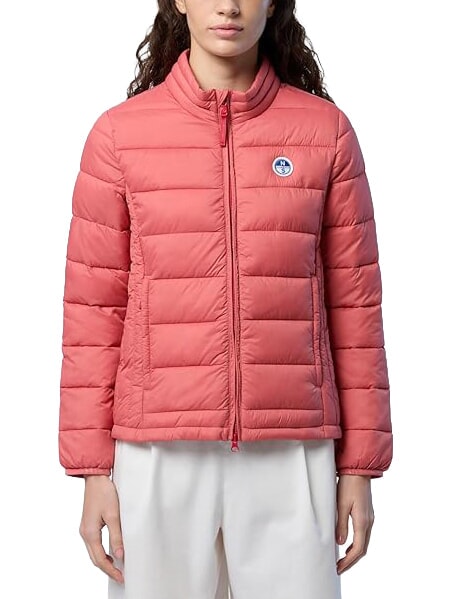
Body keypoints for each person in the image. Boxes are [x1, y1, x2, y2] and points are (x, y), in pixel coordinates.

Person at [58, 1, 393, 598]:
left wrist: (359, 465)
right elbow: (92, 313)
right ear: (179, 1)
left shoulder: (326, 133)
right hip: (156, 452)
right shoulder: (119, 136)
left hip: (291, 448)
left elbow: (356, 310)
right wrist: (91, 470)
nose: (229, 5)